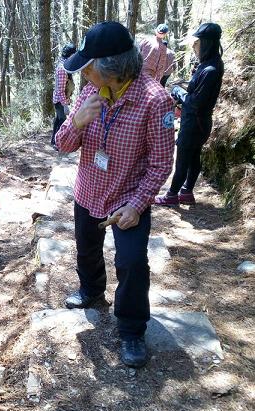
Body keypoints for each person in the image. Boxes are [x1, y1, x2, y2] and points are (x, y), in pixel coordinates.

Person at [55, 21, 175, 368]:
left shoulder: (156, 101)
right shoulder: (89, 93)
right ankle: (92, 290)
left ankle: (132, 329)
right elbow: (62, 146)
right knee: (87, 249)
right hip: (89, 192)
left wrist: (137, 206)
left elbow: (160, 164)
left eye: (89, 67)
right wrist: (77, 121)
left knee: (133, 262)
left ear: (111, 68)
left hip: (128, 198)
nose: (85, 74)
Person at [155, 23, 224, 206]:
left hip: (195, 122)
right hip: (198, 122)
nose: (195, 47)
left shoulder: (211, 70)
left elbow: (195, 102)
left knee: (184, 158)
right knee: (193, 157)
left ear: (207, 43)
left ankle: (171, 195)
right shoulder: (210, 65)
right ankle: (186, 192)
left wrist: (178, 92)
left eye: (198, 43)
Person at [51, 44, 77, 148]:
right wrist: (65, 105)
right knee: (62, 122)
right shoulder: (62, 69)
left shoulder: (64, 65)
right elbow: (60, 90)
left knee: (58, 120)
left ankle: (54, 141)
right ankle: (58, 143)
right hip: (60, 101)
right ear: (70, 55)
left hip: (61, 100)